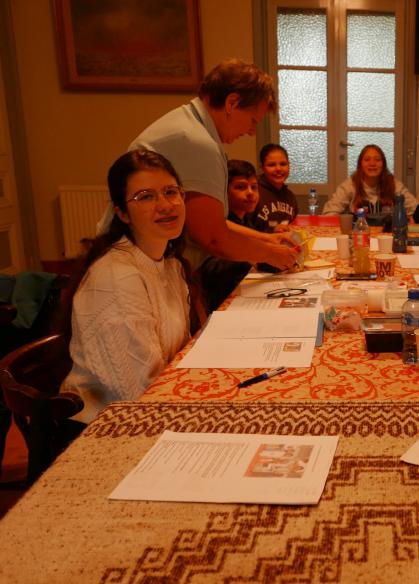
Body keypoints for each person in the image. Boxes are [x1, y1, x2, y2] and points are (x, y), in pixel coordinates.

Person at [63, 150, 198, 423]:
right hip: (112, 426)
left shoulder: (171, 265)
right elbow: (139, 393)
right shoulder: (117, 278)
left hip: (160, 405)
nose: (165, 205)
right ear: (122, 213)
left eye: (171, 191)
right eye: (146, 196)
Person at [129, 58, 299, 273]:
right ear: (232, 103)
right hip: (137, 266)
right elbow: (213, 238)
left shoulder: (189, 124)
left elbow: (213, 222)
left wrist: (267, 239)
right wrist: (269, 253)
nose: (251, 131)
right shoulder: (198, 142)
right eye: (253, 120)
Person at [199, 160, 261, 312]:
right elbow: (210, 270)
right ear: (224, 191)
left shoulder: (245, 219)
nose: (250, 193)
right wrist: (250, 256)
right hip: (224, 302)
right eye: (240, 187)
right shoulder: (222, 223)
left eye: (254, 187)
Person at [322, 144, 417, 216]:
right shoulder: (349, 185)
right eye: (367, 160)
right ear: (360, 165)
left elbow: (416, 209)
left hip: (387, 237)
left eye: (377, 159)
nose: (372, 163)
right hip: (358, 235)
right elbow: (329, 213)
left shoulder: (395, 185)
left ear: (383, 165)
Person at [253, 143, 297, 232]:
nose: (278, 169)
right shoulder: (253, 191)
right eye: (271, 165)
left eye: (283, 164)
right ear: (262, 168)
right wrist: (271, 231)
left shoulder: (290, 197)